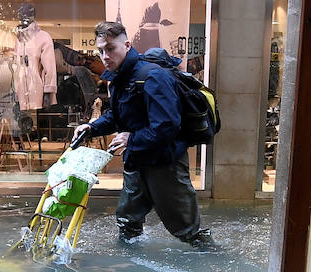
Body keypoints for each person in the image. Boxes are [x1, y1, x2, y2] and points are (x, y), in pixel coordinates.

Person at [74, 21, 214, 249]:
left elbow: (167, 126)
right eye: (100, 50)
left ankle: (212, 264)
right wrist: (92, 128)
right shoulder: (121, 77)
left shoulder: (153, 77)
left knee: (187, 231)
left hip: (165, 165)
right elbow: (119, 117)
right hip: (137, 161)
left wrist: (131, 138)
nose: (104, 56)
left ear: (127, 45)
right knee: (127, 222)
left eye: (110, 49)